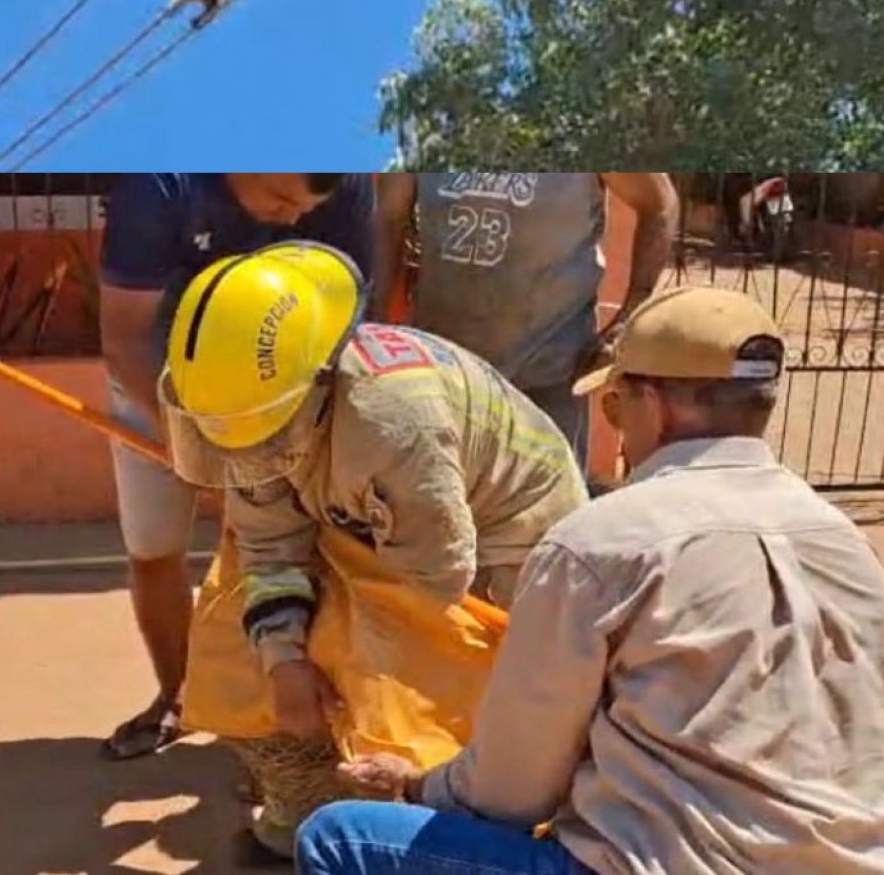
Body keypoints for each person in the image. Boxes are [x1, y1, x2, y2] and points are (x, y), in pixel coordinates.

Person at [296, 283, 884, 875]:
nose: (614, 423)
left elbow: (510, 795)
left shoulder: (601, 542)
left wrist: (413, 784)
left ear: (654, 402)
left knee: (341, 837)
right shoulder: (847, 545)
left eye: (614, 402)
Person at [162, 241, 588, 857]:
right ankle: (308, 799)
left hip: (500, 545)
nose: (243, 460)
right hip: (365, 527)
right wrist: (283, 660)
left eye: (262, 440)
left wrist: (333, 638)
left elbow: (437, 580)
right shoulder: (252, 403)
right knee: (232, 626)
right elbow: (265, 538)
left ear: (318, 388)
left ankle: (450, 834)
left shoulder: (391, 423)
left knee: (411, 684)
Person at [98, 173, 376, 760]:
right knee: (153, 550)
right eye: (280, 200)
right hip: (159, 380)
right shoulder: (158, 185)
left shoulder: (343, 181)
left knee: (296, 552)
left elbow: (348, 310)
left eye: (307, 209)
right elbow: (126, 339)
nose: (294, 219)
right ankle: (178, 695)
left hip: (284, 397)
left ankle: (277, 721)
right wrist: (187, 438)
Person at [374, 173, 678, 466]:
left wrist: (628, 320)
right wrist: (373, 327)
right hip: (442, 377)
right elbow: (388, 218)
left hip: (546, 382)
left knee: (545, 513)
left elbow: (658, 204)